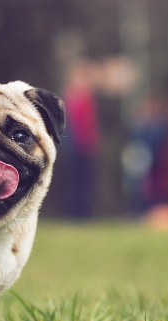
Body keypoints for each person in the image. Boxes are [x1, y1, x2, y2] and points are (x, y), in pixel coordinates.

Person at [62, 60, 101, 218]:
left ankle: (82, 212)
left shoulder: (81, 96)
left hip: (83, 145)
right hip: (77, 146)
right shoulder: (75, 96)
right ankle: (78, 213)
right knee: (78, 181)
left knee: (84, 181)